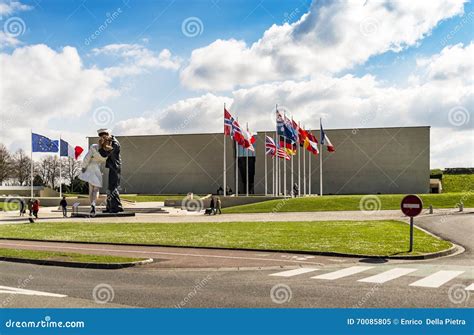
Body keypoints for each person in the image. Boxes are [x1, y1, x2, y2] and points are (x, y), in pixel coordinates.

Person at [78, 134, 109, 215]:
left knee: (91, 190)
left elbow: (87, 157)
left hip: (90, 168)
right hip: (97, 169)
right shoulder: (107, 151)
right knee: (96, 190)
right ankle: (93, 204)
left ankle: (92, 205)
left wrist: (84, 166)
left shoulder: (93, 147)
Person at [97, 129, 124, 213]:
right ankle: (110, 207)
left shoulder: (114, 142)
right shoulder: (109, 142)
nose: (102, 137)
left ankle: (117, 207)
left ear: (108, 134)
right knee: (110, 189)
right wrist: (102, 147)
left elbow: (108, 153)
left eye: (104, 135)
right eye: (101, 136)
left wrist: (102, 147)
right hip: (112, 167)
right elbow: (104, 154)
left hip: (115, 167)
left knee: (113, 188)